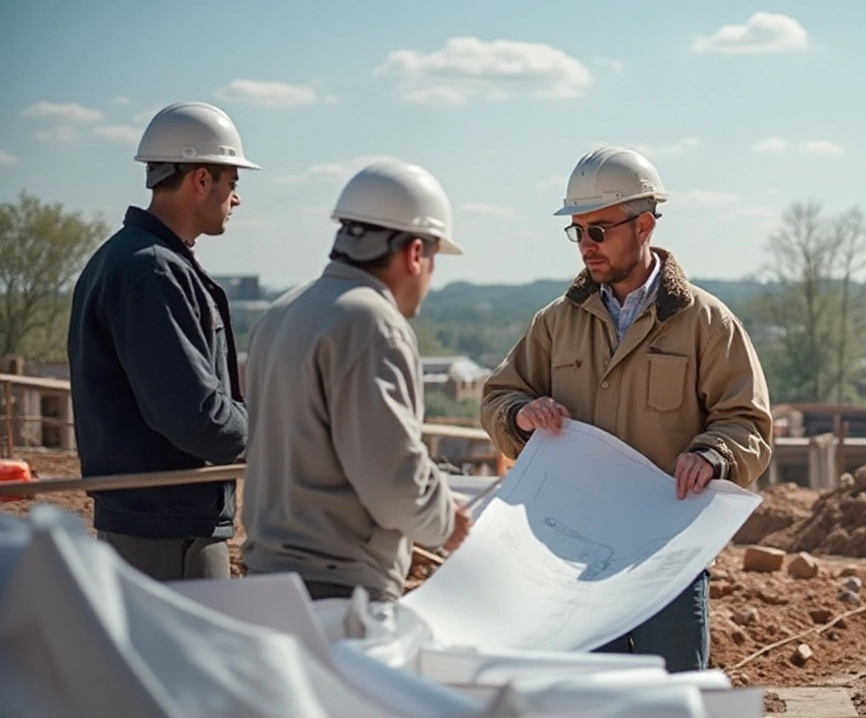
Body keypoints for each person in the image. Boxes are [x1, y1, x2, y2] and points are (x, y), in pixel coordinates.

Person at [480, 146, 773, 671]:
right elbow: (498, 398)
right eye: (578, 231)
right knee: (589, 700)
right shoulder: (555, 323)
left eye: (599, 230)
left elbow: (747, 422)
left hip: (666, 557)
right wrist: (521, 415)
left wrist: (712, 455)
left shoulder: (707, 323)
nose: (586, 246)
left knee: (673, 694)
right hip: (573, 560)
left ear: (643, 226)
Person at [241, 159, 470, 602]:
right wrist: (446, 521)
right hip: (336, 587)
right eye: (433, 259)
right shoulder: (372, 323)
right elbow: (391, 480)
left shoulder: (284, 311)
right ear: (415, 252)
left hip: (267, 579)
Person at [68, 101, 260, 581]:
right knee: (186, 656)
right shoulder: (151, 271)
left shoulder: (133, 260)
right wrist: (271, 433)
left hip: (156, 522)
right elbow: (195, 417)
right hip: (167, 531)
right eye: (231, 182)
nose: (236, 199)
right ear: (200, 180)